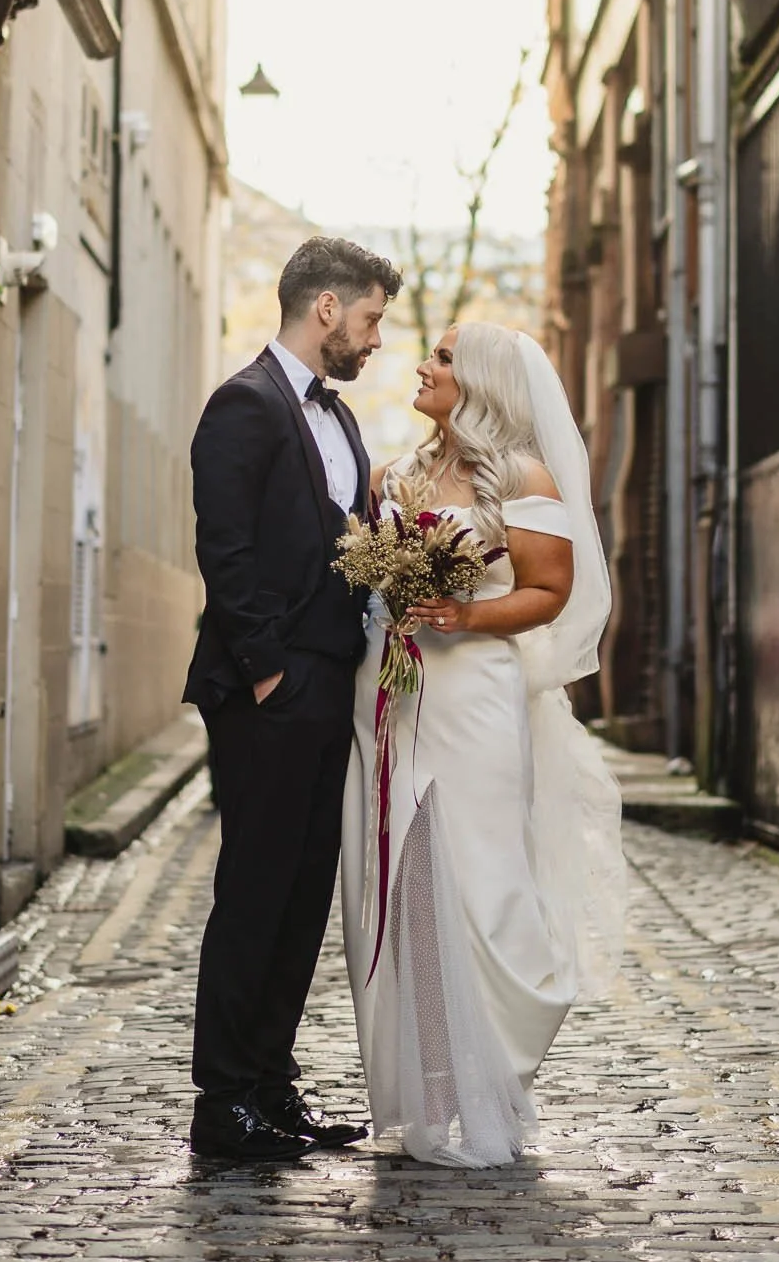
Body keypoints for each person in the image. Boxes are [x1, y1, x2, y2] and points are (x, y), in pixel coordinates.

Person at [341, 321, 624, 1167]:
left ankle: (494, 1071)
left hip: (476, 699)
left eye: (441, 356)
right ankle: (428, 1094)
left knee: (482, 883)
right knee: (402, 886)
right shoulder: (394, 475)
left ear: (484, 381)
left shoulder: (523, 479)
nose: (423, 366)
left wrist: (465, 613)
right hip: (390, 694)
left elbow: (549, 590)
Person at [185, 235, 402, 1162]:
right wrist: (269, 668)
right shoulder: (244, 404)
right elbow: (224, 548)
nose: (375, 339)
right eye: (370, 319)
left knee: (305, 894)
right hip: (267, 688)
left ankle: (271, 1089)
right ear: (326, 309)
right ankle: (222, 1100)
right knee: (255, 892)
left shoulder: (341, 421)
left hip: (330, 684)